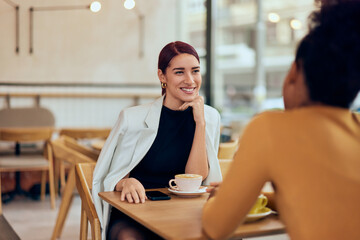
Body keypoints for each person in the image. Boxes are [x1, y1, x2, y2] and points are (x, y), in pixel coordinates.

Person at [202, 1, 360, 239]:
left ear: (295, 74)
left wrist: (223, 199)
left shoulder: (271, 128)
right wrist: (253, 196)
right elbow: (322, 196)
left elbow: (215, 227)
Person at [92, 41, 222, 239]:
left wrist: (200, 123)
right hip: (136, 208)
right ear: (162, 76)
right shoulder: (132, 118)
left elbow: (196, 177)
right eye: (179, 72)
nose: (190, 80)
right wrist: (125, 183)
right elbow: (110, 175)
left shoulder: (209, 117)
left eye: (195, 71)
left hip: (184, 210)